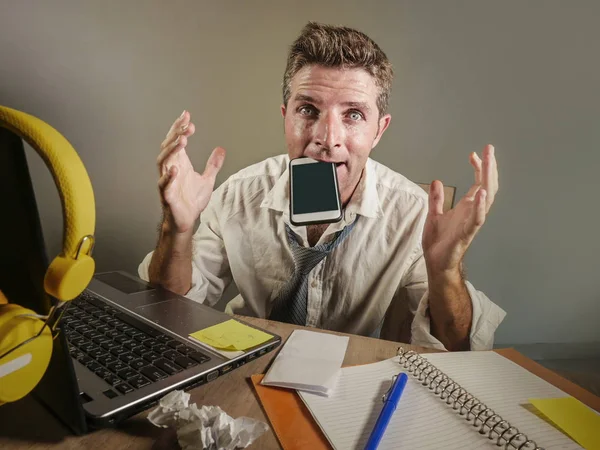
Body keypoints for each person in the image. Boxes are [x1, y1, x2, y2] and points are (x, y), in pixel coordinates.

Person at [138, 22, 505, 351]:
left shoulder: (412, 214)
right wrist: (177, 229)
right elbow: (169, 311)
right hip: (247, 363)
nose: (328, 139)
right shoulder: (238, 194)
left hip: (350, 380)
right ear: (286, 117)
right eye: (308, 110)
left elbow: (457, 346)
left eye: (354, 115)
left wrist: (445, 271)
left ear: (379, 129)